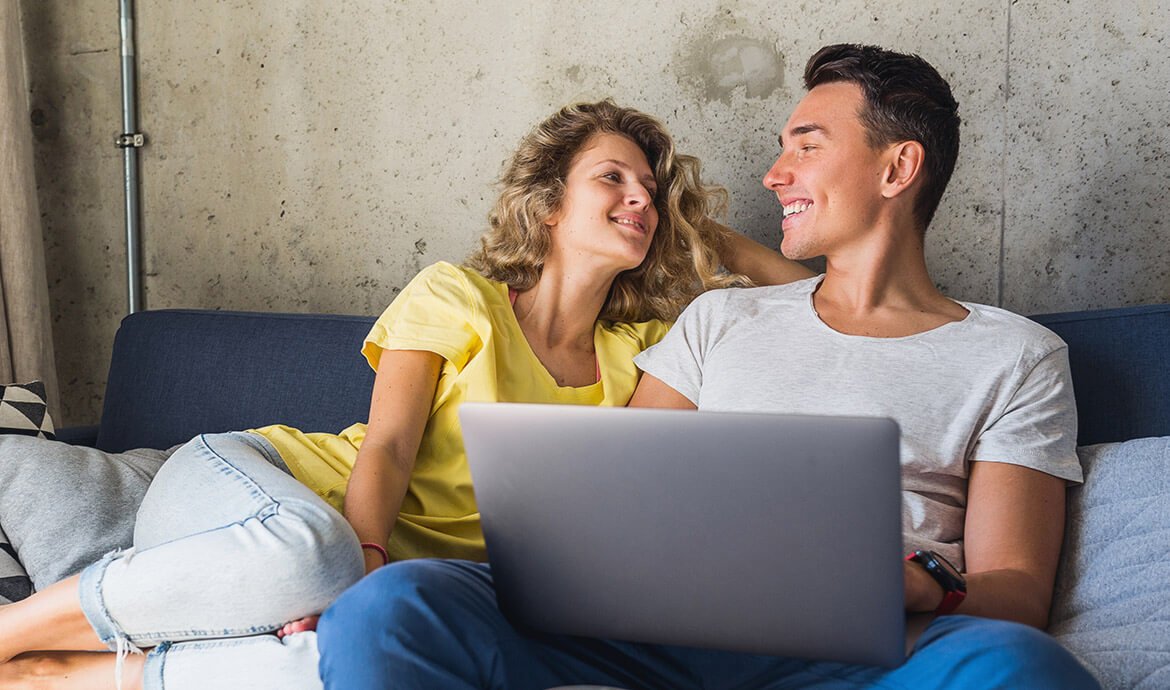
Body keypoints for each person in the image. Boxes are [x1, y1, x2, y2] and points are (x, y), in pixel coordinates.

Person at [315, 44, 1102, 689]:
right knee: (392, 608)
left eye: (806, 146)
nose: (774, 174)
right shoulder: (720, 320)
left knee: (1023, 668)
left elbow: (1017, 591)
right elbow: (606, 503)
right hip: (651, 634)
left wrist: (920, 579)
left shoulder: (1015, 355)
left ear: (897, 170)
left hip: (869, 652)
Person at [0, 101, 811, 690]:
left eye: (650, 188)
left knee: (331, 663)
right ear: (550, 204)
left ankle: (65, 677)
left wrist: (694, 225)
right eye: (612, 178)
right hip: (257, 486)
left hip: (360, 581)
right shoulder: (458, 295)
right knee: (315, 560)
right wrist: (360, 568)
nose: (639, 197)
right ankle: (12, 633)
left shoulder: (640, 356)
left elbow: (804, 302)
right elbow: (387, 448)